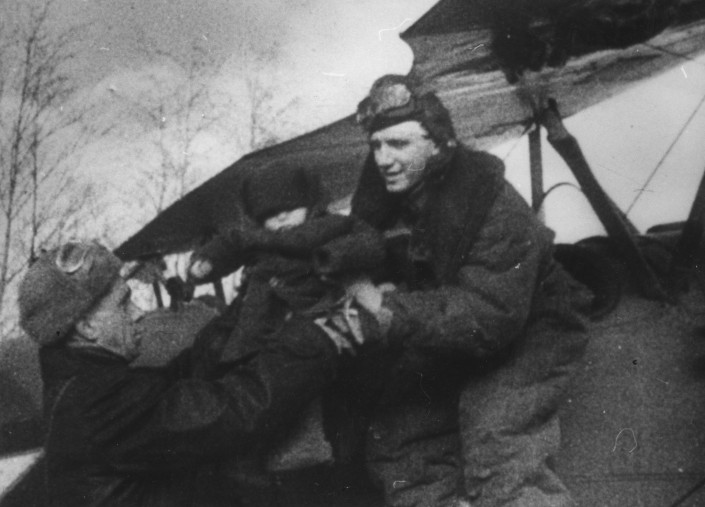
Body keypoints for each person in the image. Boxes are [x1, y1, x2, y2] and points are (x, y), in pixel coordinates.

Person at [346, 74, 589, 507]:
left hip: (528, 325)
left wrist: (388, 308)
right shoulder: (386, 202)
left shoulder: (491, 204)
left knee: (498, 440)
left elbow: (491, 315)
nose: (383, 159)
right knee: (402, 440)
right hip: (449, 326)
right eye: (376, 145)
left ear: (439, 145)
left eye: (399, 144)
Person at [17, 241, 357, 507]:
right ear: (88, 326)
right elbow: (233, 410)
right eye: (123, 303)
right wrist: (319, 338)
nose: (138, 312)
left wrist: (248, 303)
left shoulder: (86, 387)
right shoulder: (97, 403)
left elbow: (181, 380)